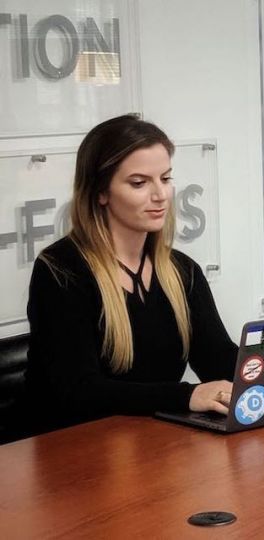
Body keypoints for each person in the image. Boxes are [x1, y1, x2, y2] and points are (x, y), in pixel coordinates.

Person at [19, 114, 237, 438]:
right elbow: (79, 390)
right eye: (139, 183)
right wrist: (187, 395)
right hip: (73, 453)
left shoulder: (182, 271)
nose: (160, 194)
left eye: (165, 178)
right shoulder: (60, 270)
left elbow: (218, 359)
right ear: (101, 192)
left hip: (151, 444)